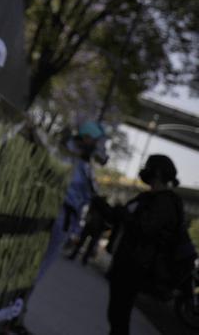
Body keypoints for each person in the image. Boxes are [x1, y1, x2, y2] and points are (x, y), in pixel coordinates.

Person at [107, 155, 185, 335]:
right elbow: (126, 216)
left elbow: (145, 228)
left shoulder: (166, 202)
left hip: (135, 267)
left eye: (148, 167)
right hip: (126, 263)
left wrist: (124, 215)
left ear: (157, 172)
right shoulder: (148, 197)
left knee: (119, 315)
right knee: (116, 314)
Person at [38, 120, 107, 278]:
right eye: (96, 141)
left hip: (65, 218)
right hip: (53, 211)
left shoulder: (84, 162)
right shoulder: (65, 154)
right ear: (87, 138)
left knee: (44, 261)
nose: (97, 146)